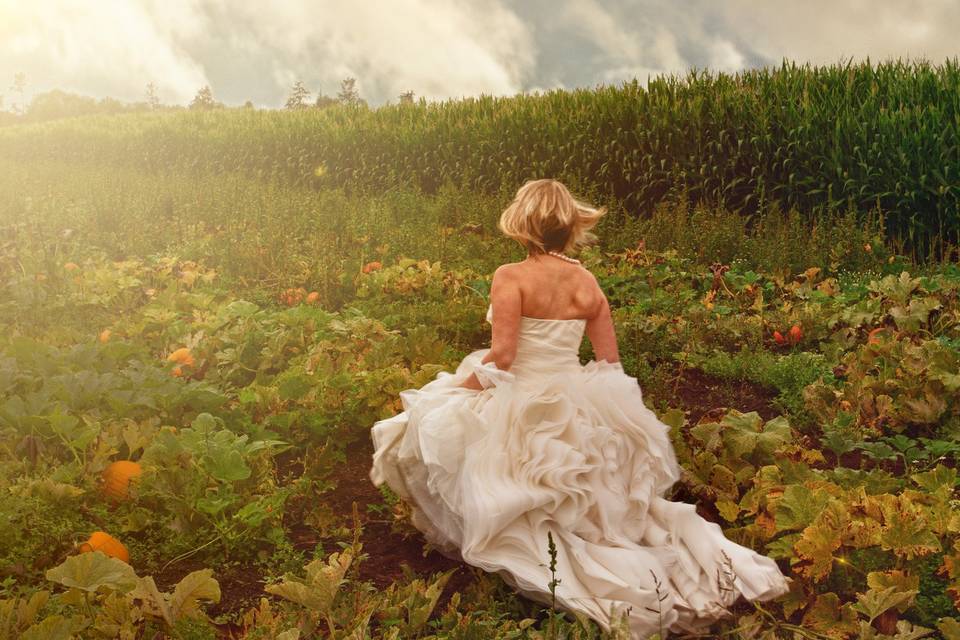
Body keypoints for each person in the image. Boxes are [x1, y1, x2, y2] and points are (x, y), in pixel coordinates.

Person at [369, 179, 790, 638]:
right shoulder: (586, 281)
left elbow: (504, 356)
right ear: (569, 226)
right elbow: (609, 362)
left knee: (466, 443)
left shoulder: (510, 276)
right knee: (585, 489)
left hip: (522, 390)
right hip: (573, 389)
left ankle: (557, 564)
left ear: (523, 223)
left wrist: (458, 389)